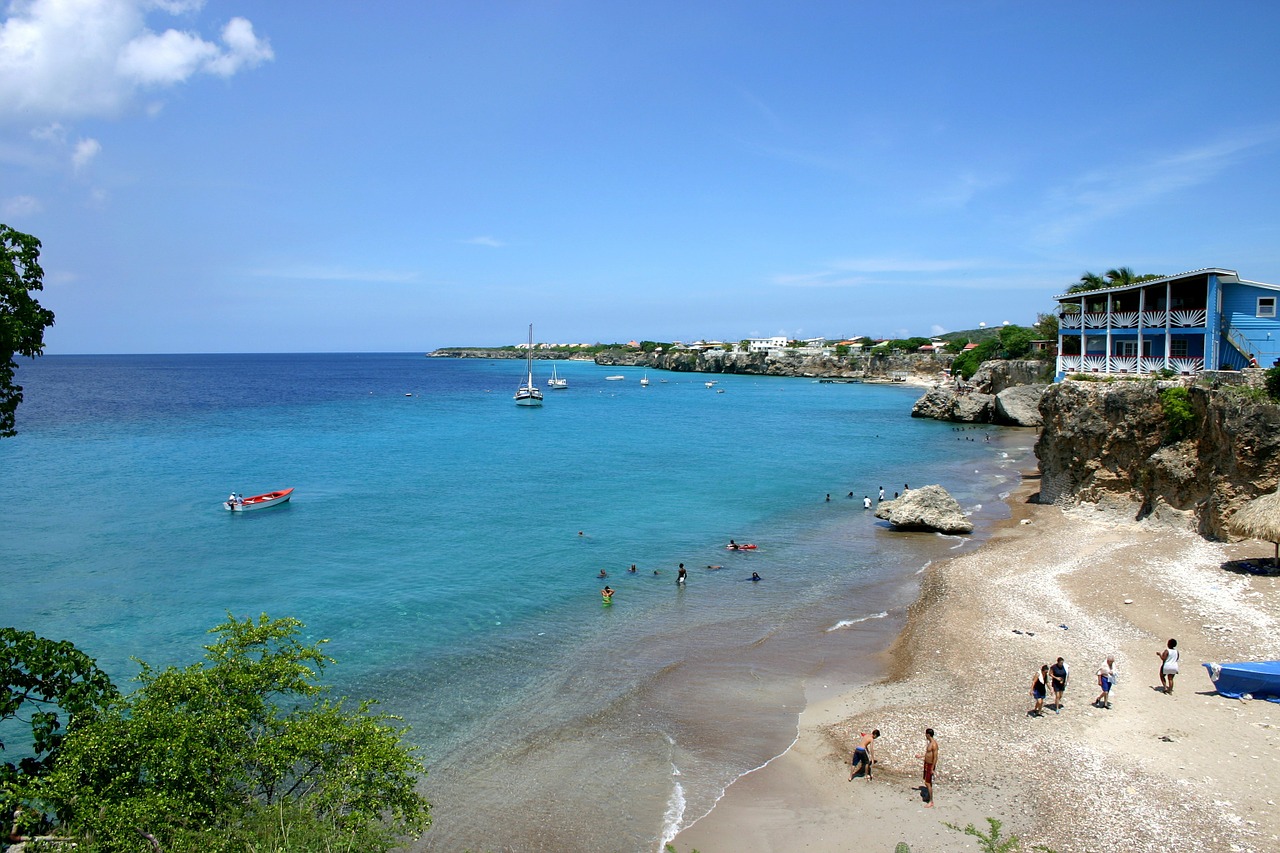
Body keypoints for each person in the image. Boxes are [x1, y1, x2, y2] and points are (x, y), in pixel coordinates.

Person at [917, 728, 938, 806]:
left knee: (927, 783)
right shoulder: (929, 743)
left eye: (926, 734)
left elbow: (935, 757)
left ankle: (931, 801)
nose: (925, 735)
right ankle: (929, 797)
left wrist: (932, 768)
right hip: (926, 764)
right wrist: (921, 756)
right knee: (927, 781)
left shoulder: (934, 744)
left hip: (930, 765)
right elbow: (928, 754)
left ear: (928, 734)